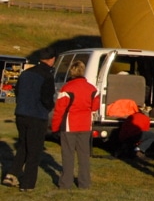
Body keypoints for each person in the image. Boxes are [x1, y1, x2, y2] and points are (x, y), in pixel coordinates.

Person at [3, 47, 57, 192]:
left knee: (23, 145)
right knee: (34, 150)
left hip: (21, 113)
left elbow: (17, 91)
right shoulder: (47, 76)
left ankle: (11, 174)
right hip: (37, 116)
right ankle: (27, 183)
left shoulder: (26, 73)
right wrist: (50, 107)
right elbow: (47, 98)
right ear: (52, 59)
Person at [50, 60, 100, 189]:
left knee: (68, 155)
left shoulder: (67, 88)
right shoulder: (92, 89)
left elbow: (59, 110)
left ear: (71, 72)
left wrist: (55, 127)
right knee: (84, 155)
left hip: (69, 125)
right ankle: (85, 183)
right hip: (85, 125)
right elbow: (95, 107)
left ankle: (66, 183)